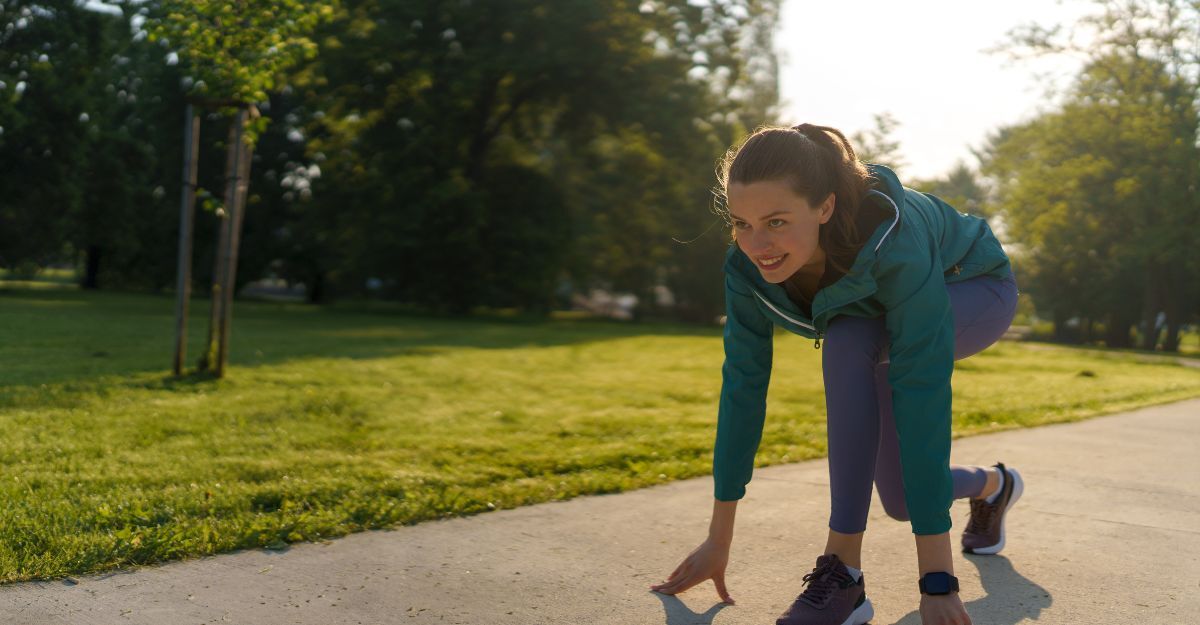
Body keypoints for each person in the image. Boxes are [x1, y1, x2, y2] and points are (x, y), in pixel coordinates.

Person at [649, 124, 1023, 625]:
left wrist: (937, 581)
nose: (758, 244)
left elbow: (921, 393)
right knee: (902, 499)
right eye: (741, 223)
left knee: (848, 339)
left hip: (972, 286)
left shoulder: (897, 242)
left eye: (777, 221)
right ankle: (993, 486)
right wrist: (719, 540)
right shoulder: (744, 272)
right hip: (877, 319)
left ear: (823, 208)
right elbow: (742, 389)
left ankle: (842, 574)